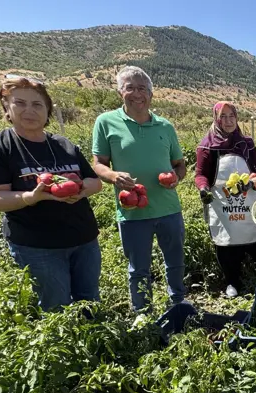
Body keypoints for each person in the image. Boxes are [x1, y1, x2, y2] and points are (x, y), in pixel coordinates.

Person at [0, 76, 103, 312]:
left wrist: (81, 191)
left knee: (89, 298)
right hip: (38, 246)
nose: (29, 111)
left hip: (84, 239)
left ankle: (92, 343)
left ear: (47, 110)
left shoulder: (64, 145)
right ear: (7, 108)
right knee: (57, 306)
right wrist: (30, 197)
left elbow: (95, 181)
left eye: (37, 104)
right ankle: (64, 347)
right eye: (20, 103)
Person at [92, 66, 187, 319]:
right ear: (120, 92)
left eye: (142, 88)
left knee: (175, 261)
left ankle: (178, 302)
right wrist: (113, 176)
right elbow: (98, 163)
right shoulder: (106, 122)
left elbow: (180, 164)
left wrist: (176, 177)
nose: (137, 94)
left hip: (168, 208)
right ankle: (143, 312)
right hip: (132, 210)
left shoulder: (165, 126)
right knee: (138, 268)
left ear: (151, 94)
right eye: (130, 87)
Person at [195, 102, 256, 298]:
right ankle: (232, 281)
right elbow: (201, 174)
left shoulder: (247, 143)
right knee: (225, 244)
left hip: (248, 201)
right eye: (223, 117)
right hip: (223, 204)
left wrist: (255, 182)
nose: (228, 121)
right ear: (216, 119)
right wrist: (204, 189)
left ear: (237, 118)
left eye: (232, 116)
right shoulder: (207, 145)